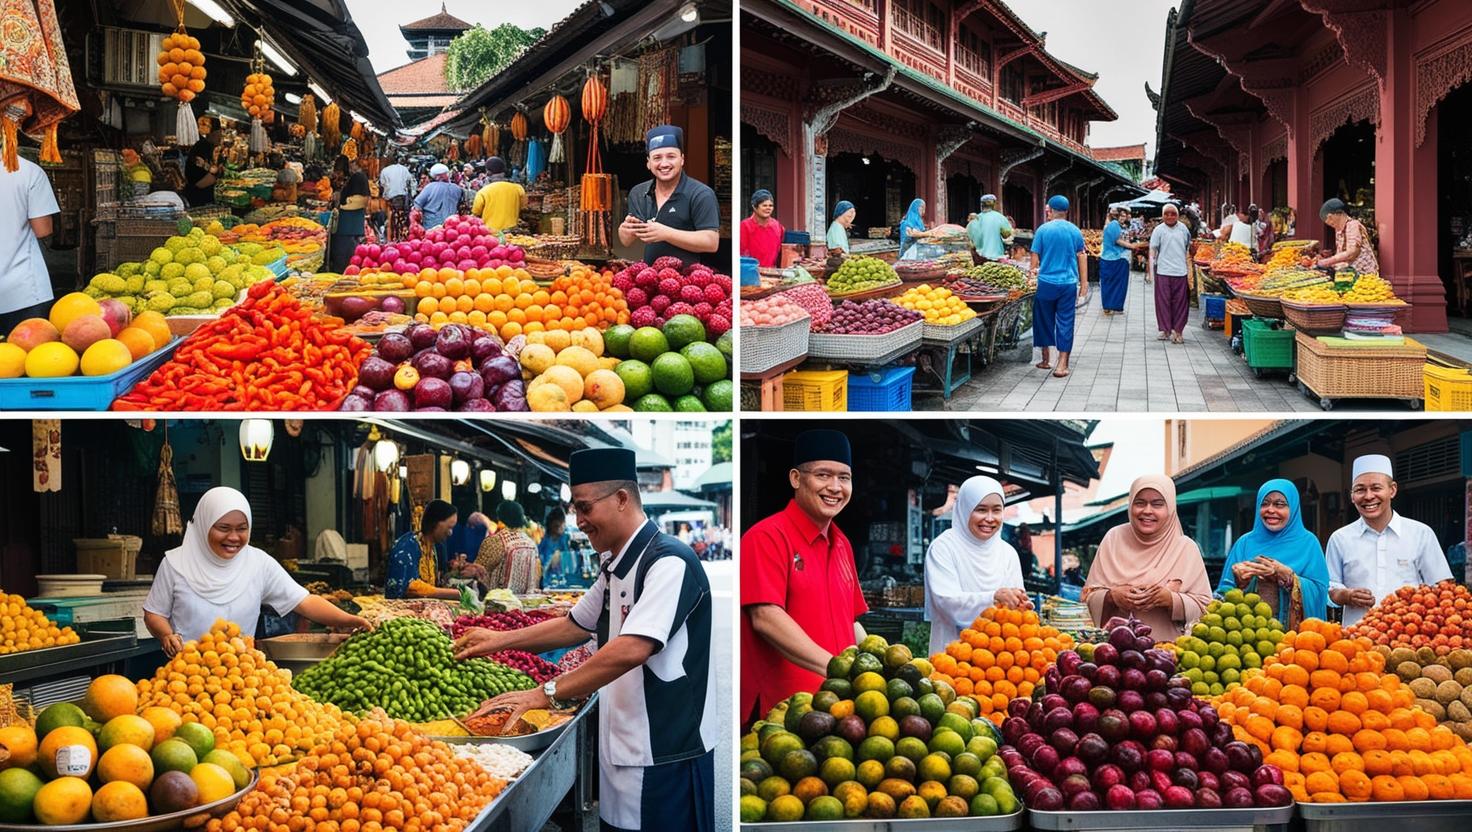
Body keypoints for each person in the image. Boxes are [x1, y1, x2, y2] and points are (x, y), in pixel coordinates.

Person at [455, 448, 716, 832]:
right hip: (622, 747)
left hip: (666, 753)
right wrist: (495, 639)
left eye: (585, 508)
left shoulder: (668, 562)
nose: (579, 521)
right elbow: (573, 625)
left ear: (622, 499)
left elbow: (632, 648)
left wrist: (544, 693)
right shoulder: (615, 565)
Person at [143, 487, 369, 653]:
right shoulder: (175, 563)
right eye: (223, 528)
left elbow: (303, 601)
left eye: (242, 529)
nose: (233, 537)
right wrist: (166, 635)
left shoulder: (258, 563)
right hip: (185, 677)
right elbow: (154, 613)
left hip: (242, 674)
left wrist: (348, 619)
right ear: (203, 525)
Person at [741, 430, 867, 722]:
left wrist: (880, 663)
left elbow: (851, 622)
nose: (835, 487)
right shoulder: (766, 537)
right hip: (783, 712)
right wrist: (837, 669)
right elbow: (766, 617)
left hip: (835, 707)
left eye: (844, 478)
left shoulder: (842, 544)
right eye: (823, 475)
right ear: (796, 478)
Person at [1326, 455, 1452, 628]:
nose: (1369, 496)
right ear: (1352, 496)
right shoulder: (1340, 539)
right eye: (1360, 490)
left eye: (1376, 488)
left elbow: (1442, 587)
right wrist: (1346, 595)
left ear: (1392, 490)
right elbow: (1330, 588)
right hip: (1356, 641)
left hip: (1409, 640)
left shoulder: (1421, 533)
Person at [1081, 475, 1212, 638]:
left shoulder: (1185, 548)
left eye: (1157, 504)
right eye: (1140, 503)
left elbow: (1206, 609)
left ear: (1170, 508)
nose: (1147, 511)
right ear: (1130, 506)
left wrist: (1171, 600)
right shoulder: (1114, 538)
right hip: (1114, 654)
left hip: (1170, 655)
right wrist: (1111, 597)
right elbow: (1087, 598)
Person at [923, 476, 1029, 656]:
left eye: (996, 510)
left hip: (999, 662)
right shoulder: (943, 548)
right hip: (952, 657)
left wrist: (1021, 604)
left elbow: (1013, 606)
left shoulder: (1008, 553)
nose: (989, 518)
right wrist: (994, 598)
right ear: (965, 509)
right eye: (981, 510)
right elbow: (945, 602)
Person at [1217, 479, 1330, 628]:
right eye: (1265, 503)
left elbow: (1320, 594)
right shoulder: (1244, 543)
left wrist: (1288, 577)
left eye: (1279, 504)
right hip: (1250, 638)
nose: (1270, 510)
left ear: (1293, 508)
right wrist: (1241, 584)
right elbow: (1223, 596)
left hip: (1295, 642)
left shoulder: (1308, 543)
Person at [619, 125, 720, 266]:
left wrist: (665, 233)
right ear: (648, 163)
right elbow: (626, 241)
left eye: (671, 156)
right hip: (650, 278)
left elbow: (711, 242)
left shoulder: (701, 194)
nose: (664, 163)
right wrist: (625, 232)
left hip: (689, 281)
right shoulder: (638, 193)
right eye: (657, 158)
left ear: (682, 159)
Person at [0, 155, 60, 333]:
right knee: (24, 358)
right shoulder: (29, 172)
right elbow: (43, 229)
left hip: (24, 294)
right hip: (23, 292)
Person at [1030, 195, 1088, 378]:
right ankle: (1062, 364)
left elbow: (1034, 257)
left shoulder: (1042, 230)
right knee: (1065, 321)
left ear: (1050, 210)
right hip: (1068, 284)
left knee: (1043, 320)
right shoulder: (1074, 231)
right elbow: (1082, 255)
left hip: (1046, 283)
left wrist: (1032, 275)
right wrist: (1084, 284)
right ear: (1066, 211)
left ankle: (1046, 359)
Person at [385, 500, 464, 600]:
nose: (450, 533)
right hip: (400, 612)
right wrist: (454, 594)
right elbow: (411, 587)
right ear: (435, 523)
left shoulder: (433, 548)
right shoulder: (407, 546)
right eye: (449, 527)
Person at [1149, 203, 1195, 344]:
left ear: (1177, 215)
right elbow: (1152, 250)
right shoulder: (1158, 230)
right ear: (1163, 215)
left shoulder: (1184, 230)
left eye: (1173, 213)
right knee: (1163, 302)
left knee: (1181, 303)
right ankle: (1165, 329)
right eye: (1166, 214)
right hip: (1163, 271)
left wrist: (1189, 270)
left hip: (1180, 272)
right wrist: (1150, 272)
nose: (1169, 216)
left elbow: (1188, 248)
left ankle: (1178, 331)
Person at [476, 501, 541, 594]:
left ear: (499, 517)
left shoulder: (495, 542)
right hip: (525, 605)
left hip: (498, 605)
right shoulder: (532, 544)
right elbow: (536, 578)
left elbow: (478, 572)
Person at [328, 155, 370, 273]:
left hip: (347, 229)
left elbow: (361, 201)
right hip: (348, 229)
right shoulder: (355, 179)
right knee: (345, 261)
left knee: (344, 263)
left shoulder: (358, 178)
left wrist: (341, 205)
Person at [1315, 198, 1379, 274]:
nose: (1332, 225)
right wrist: (1328, 255)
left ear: (1331, 216)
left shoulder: (1353, 225)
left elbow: (1352, 253)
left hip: (1363, 274)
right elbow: (1342, 251)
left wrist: (1328, 261)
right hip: (1348, 273)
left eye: (1330, 222)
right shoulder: (1339, 229)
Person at [1100, 207, 1144, 316]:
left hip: (1107, 258)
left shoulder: (1110, 225)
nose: (1124, 218)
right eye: (1122, 215)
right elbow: (1118, 241)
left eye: (1125, 216)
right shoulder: (1114, 225)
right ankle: (1115, 306)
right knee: (1119, 284)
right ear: (1116, 216)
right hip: (1117, 258)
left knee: (1108, 283)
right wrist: (1133, 246)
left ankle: (1108, 306)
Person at [470, 157, 525, 233]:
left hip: (490, 234)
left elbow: (476, 213)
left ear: (488, 172)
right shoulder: (518, 189)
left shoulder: (483, 192)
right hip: (512, 233)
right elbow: (523, 207)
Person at [181, 123, 224, 207]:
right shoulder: (201, 146)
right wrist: (215, 173)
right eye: (217, 135)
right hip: (197, 194)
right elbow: (203, 168)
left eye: (221, 136)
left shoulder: (213, 147)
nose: (220, 139)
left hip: (206, 193)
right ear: (210, 134)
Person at [739, 188, 784, 268]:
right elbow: (742, 254)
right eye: (764, 205)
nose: (768, 208)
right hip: (751, 272)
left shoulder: (777, 226)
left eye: (770, 205)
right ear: (754, 207)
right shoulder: (745, 226)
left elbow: (781, 251)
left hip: (772, 273)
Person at [413, 163, 465, 231]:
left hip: (431, 227)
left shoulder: (430, 187)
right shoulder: (457, 189)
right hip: (451, 227)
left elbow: (417, 206)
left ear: (435, 176)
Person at [966, 194, 1013, 263]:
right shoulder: (999, 217)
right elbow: (1006, 235)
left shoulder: (974, 219)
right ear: (994, 204)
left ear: (982, 204)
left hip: (978, 257)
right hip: (996, 256)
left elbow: (969, 239)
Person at [379, 155, 415, 242]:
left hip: (391, 200)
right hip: (403, 198)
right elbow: (409, 181)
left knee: (391, 221)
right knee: (402, 220)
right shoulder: (403, 169)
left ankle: (392, 239)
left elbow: (383, 185)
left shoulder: (384, 171)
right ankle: (402, 238)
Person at [539, 509, 577, 583]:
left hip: (565, 580)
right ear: (551, 525)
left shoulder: (566, 537)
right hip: (547, 581)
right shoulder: (544, 541)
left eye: (562, 523)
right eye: (557, 525)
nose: (561, 526)